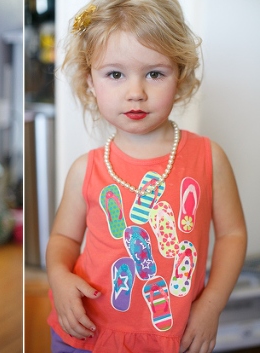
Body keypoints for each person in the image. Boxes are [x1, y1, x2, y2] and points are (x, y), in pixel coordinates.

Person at [45, 1, 247, 352]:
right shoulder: (85, 169)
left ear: (179, 74)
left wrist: (211, 305)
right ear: (90, 81)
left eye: (154, 73)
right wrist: (60, 279)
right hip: (87, 335)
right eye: (115, 74)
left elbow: (232, 234)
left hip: (175, 336)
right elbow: (63, 237)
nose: (135, 92)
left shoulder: (208, 158)